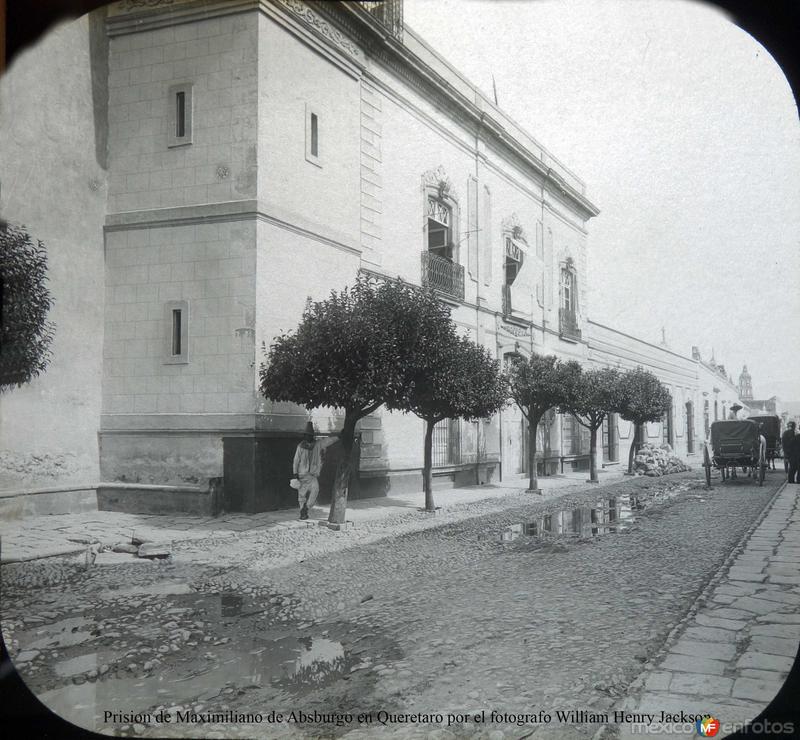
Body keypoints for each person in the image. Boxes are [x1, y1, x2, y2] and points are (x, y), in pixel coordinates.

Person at [293, 421, 323, 520]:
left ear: (312, 436)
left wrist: (338, 437)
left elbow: (327, 442)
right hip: (302, 474)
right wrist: (295, 473)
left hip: (312, 474)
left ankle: (306, 508)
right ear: (305, 436)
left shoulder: (317, 445)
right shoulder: (300, 446)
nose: (308, 437)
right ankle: (303, 513)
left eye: (310, 435)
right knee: (301, 494)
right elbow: (296, 460)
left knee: (315, 489)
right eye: (307, 435)